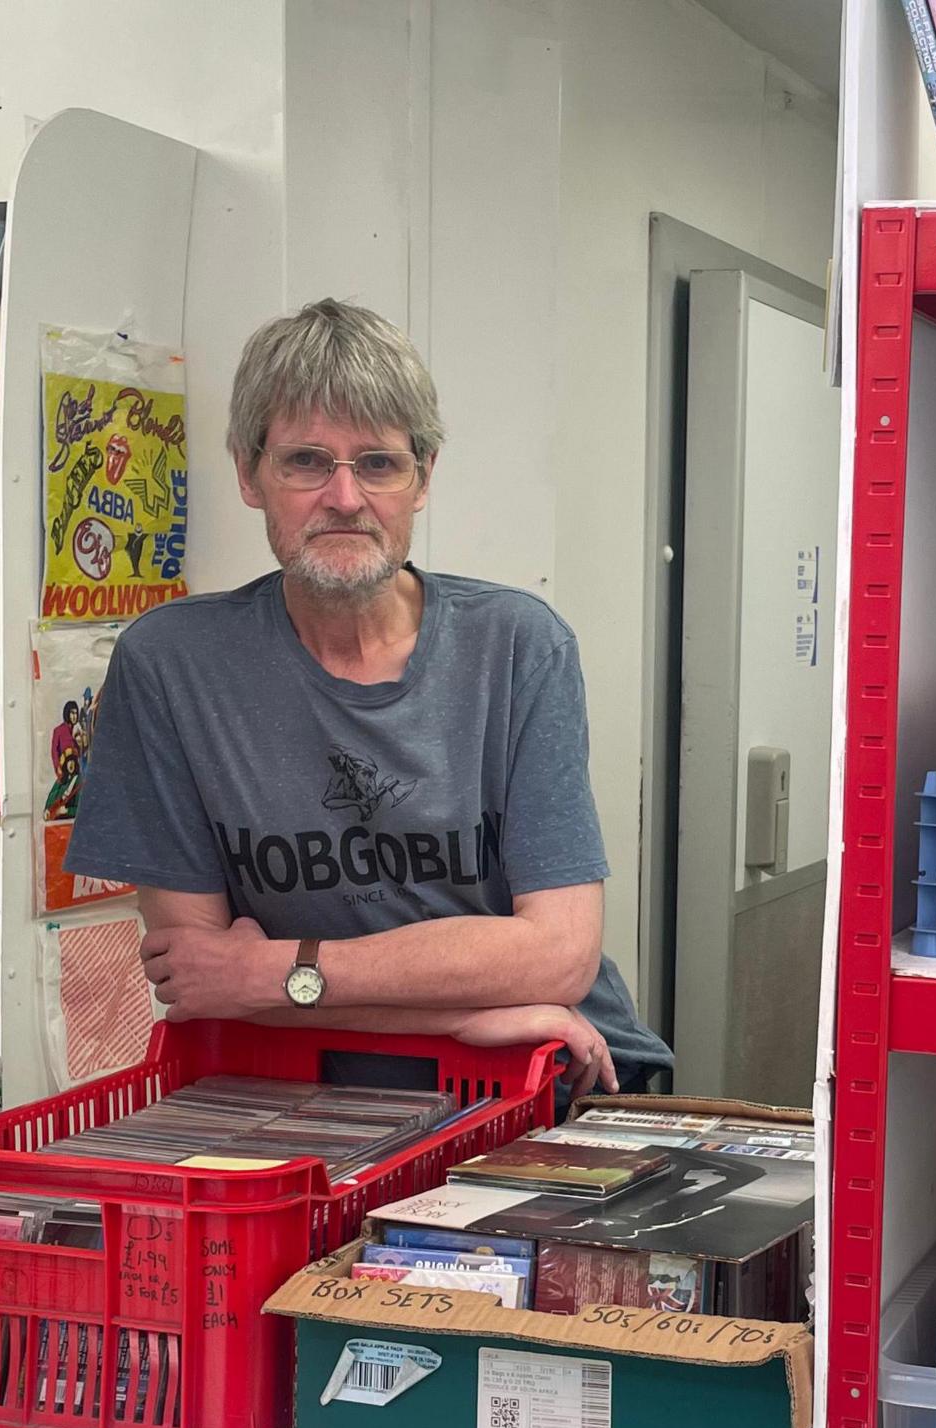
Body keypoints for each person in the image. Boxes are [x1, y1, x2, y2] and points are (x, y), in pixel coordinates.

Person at [66, 298, 672, 1099]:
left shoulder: (520, 647)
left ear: (422, 479)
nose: (346, 498)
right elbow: (205, 982)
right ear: (251, 475)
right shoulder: (172, 666)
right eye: (307, 461)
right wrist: (456, 1013)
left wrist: (281, 971)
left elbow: (560, 958)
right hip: (308, 1097)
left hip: (552, 1073)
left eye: (379, 464)